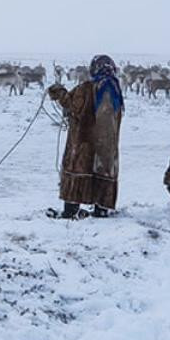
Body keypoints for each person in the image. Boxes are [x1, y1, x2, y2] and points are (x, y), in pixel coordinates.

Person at [46, 55, 123, 219]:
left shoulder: (87, 88)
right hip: (107, 147)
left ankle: (70, 210)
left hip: (83, 142)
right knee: (102, 173)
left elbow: (73, 106)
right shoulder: (115, 91)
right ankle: (100, 210)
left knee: (78, 170)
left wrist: (59, 93)